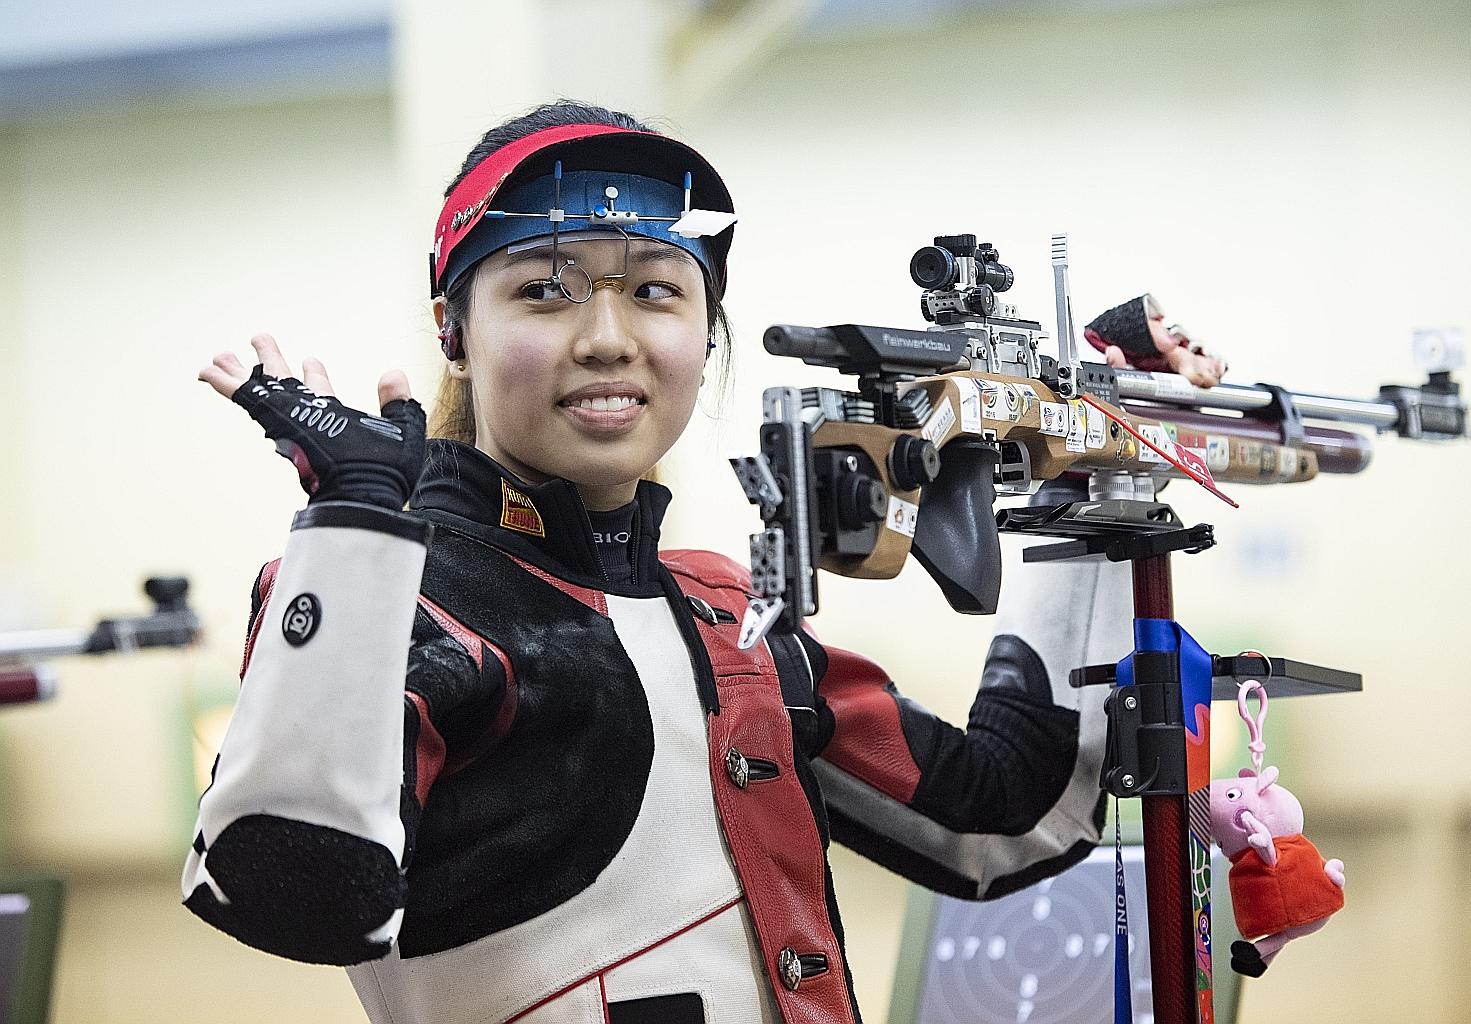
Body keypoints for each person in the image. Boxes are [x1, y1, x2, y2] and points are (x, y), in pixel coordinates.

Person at [186, 101, 1226, 1024]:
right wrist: (354, 530)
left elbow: (1005, 816)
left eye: (656, 289)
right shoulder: (400, 592)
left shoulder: (729, 613)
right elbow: (291, 893)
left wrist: (1097, 466)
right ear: (453, 332)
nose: (607, 337)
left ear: (706, 331)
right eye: (544, 289)